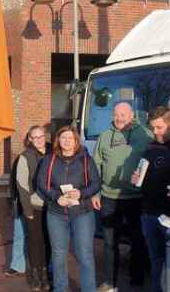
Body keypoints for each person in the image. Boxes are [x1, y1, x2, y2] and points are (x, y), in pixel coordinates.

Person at [92, 102, 153, 291]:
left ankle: (137, 278)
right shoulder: (104, 136)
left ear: (131, 115)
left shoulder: (145, 134)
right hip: (109, 198)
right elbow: (96, 165)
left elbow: (155, 162)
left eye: (123, 114)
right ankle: (110, 281)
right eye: (116, 114)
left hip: (136, 198)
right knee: (110, 242)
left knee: (138, 239)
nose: (119, 118)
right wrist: (95, 192)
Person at [37, 126, 100, 292]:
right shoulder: (49, 160)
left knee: (85, 254)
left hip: (82, 213)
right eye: (63, 138)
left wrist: (81, 193)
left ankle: (89, 289)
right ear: (58, 140)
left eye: (70, 138)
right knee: (58, 255)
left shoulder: (86, 159)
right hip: (56, 213)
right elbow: (41, 183)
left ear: (76, 141)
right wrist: (56, 196)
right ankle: (60, 288)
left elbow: (96, 184)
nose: (67, 141)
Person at [131, 106, 170, 292]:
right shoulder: (151, 147)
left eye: (159, 127)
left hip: (168, 218)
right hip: (148, 214)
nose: (155, 132)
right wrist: (136, 179)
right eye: (153, 127)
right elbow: (142, 178)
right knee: (156, 261)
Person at [15, 125, 51, 291]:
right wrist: (27, 210)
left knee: (48, 242)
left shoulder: (53, 152)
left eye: (40, 136)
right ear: (30, 139)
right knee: (35, 241)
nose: (38, 140)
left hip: (52, 207)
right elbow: (22, 185)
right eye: (34, 137)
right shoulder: (25, 156)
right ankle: (36, 275)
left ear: (45, 136)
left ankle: (46, 274)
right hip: (34, 206)